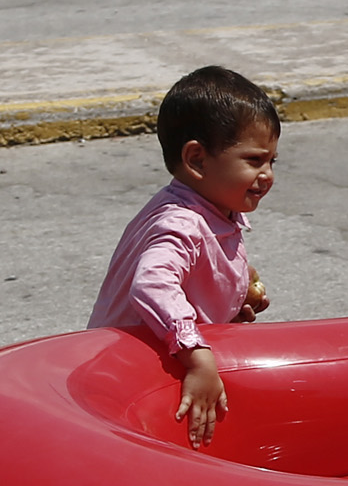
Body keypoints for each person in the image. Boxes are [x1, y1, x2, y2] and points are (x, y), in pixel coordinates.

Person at [90, 65, 279, 444]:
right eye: (254, 160)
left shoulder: (213, 207)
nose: (268, 175)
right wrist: (196, 354)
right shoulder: (181, 222)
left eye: (273, 161)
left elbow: (195, 270)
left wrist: (229, 295)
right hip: (127, 372)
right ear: (196, 159)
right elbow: (152, 284)